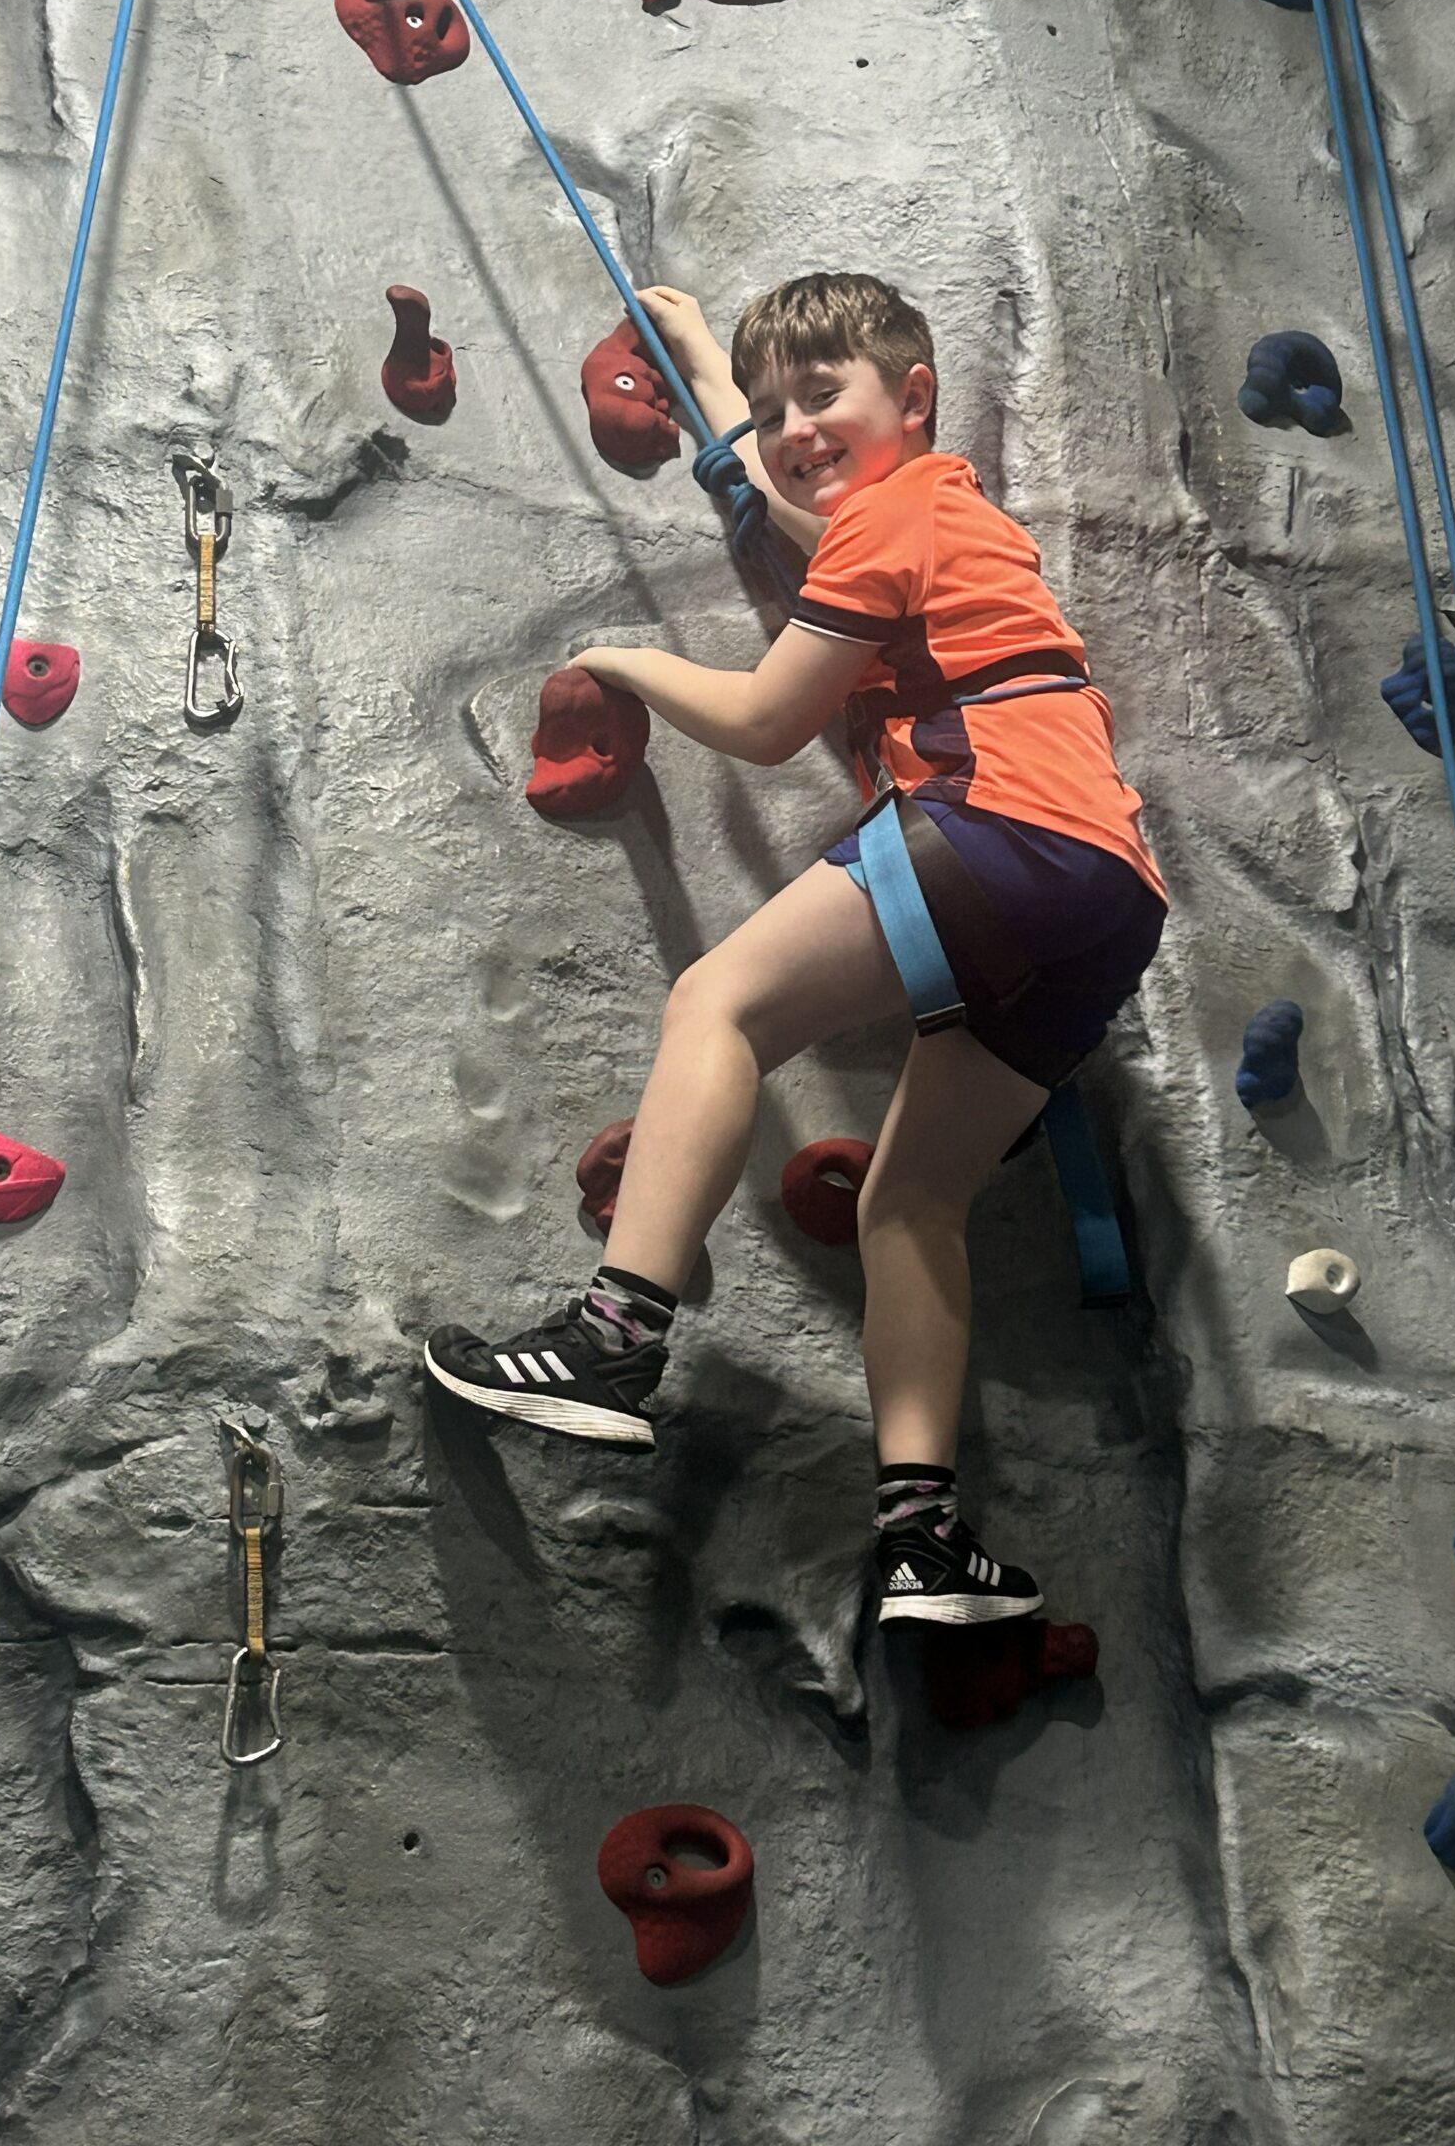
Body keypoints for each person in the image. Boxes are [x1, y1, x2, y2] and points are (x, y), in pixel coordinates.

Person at [423, 273, 1167, 1626]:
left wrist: (625, 660)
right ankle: (918, 1538)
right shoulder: (931, 514)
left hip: (997, 824)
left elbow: (769, 721)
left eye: (821, 395)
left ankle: (613, 1335)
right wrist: (709, 360)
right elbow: (778, 490)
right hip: (1107, 893)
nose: (793, 427)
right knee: (910, 1202)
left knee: (720, 1004)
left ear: (915, 400)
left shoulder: (897, 511)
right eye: (776, 410)